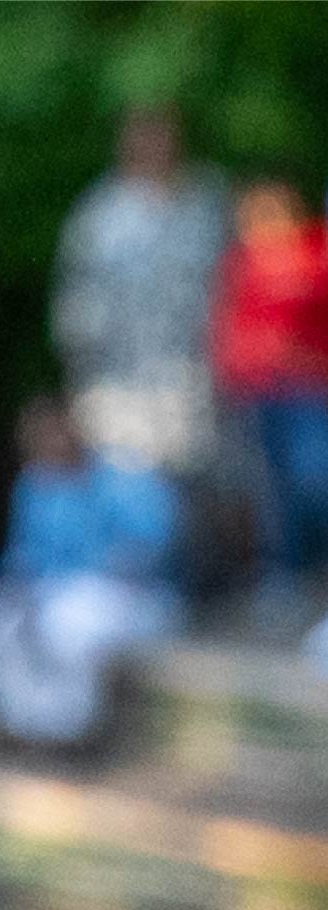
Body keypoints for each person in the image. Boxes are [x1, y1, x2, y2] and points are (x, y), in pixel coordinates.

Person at [0, 397, 184, 745]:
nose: (48, 443)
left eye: (54, 432)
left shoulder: (126, 478)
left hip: (133, 600)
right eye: (37, 437)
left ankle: (74, 730)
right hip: (53, 594)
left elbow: (150, 553)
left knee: (68, 622)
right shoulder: (34, 485)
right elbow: (24, 555)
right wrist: (20, 588)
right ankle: (26, 723)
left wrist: (88, 575)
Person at [56, 102, 230, 482]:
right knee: (139, 511)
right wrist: (81, 389)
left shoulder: (209, 203)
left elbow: (238, 287)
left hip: (202, 386)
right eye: (142, 131)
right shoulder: (98, 215)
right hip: (120, 390)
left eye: (161, 130)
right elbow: (74, 312)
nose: (153, 142)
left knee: (209, 508)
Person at [212, 178, 328, 607]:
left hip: (312, 390)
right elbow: (228, 325)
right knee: (270, 491)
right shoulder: (240, 262)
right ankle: (284, 575)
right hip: (258, 392)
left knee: (316, 479)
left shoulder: (318, 250)